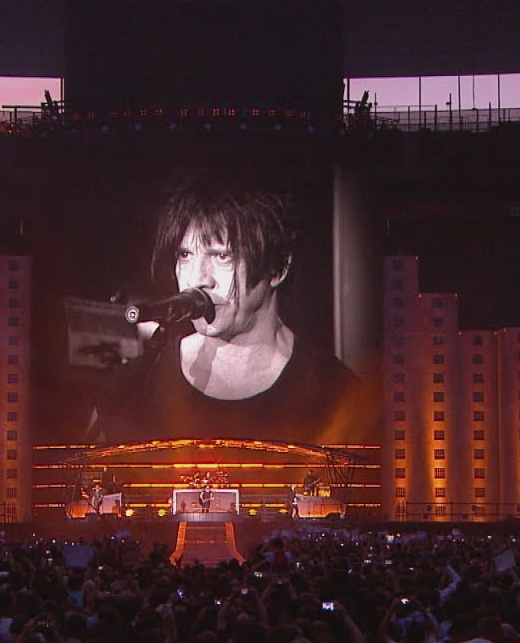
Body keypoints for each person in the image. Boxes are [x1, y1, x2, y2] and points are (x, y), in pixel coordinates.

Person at [91, 177, 372, 445]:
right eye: (185, 255)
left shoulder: (336, 396)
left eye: (221, 256)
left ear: (277, 269)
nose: (198, 278)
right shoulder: (132, 388)